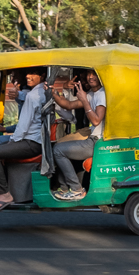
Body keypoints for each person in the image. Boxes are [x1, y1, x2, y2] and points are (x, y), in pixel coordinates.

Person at [0, 67, 47, 211]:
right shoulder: (44, 92)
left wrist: (12, 142)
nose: (29, 77)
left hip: (31, 143)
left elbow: (23, 126)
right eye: (28, 74)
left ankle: (4, 193)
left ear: (43, 75)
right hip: (36, 141)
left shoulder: (33, 96)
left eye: (33, 74)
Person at [51, 69, 106, 201]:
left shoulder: (102, 95)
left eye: (94, 74)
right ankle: (64, 187)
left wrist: (85, 101)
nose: (91, 77)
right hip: (92, 138)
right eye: (89, 74)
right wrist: (53, 92)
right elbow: (68, 105)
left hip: (98, 142)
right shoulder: (92, 94)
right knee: (61, 146)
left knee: (58, 150)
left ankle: (76, 189)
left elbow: (96, 120)